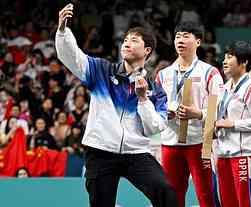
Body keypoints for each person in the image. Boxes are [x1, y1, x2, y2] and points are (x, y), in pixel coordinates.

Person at [55, 4, 177, 207]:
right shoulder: (101, 70)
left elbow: (154, 127)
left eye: (134, 40)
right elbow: (73, 57)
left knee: (165, 192)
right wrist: (62, 30)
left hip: (136, 153)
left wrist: (143, 99)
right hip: (101, 150)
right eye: (126, 40)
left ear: (147, 50)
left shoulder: (155, 89)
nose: (127, 43)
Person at [156, 21, 224, 207]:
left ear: (198, 42)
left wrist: (198, 113)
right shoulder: (163, 74)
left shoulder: (210, 72)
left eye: (186, 36)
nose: (180, 40)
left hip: (200, 142)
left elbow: (220, 107)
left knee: (206, 195)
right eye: (178, 36)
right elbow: (155, 105)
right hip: (170, 141)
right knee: (172, 196)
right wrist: (165, 113)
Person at [215, 41, 251, 207]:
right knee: (228, 203)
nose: (224, 61)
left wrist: (233, 124)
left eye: (230, 56)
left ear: (244, 62)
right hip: (224, 154)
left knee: (247, 203)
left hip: (245, 155)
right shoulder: (224, 88)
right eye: (225, 56)